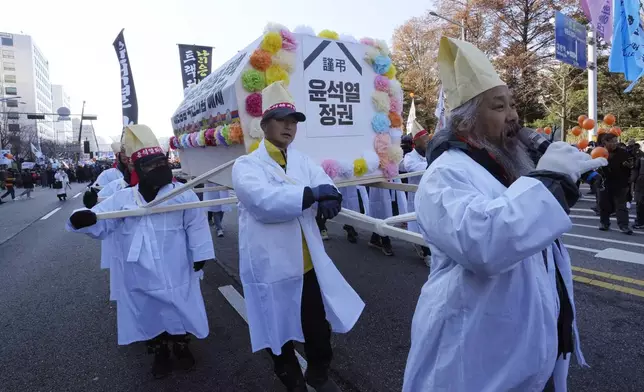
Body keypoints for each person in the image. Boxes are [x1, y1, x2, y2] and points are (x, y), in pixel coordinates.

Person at [403, 36, 607, 392]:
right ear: (466, 122)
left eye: (511, 104)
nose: (514, 115)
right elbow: (483, 243)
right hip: (478, 358)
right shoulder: (445, 174)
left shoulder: (504, 165)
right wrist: (550, 183)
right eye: (499, 106)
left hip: (528, 352)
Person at [232, 81, 364, 392]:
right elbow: (263, 202)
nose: (289, 126)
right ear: (264, 125)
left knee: (318, 329)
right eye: (282, 120)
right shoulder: (246, 165)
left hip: (305, 265)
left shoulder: (302, 160)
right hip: (271, 267)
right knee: (277, 332)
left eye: (294, 121)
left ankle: (319, 372)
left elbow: (323, 182)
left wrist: (330, 195)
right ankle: (290, 378)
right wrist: (311, 195)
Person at [66, 124, 214, 378]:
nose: (159, 168)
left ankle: (181, 347)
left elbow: (196, 224)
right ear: (136, 168)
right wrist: (82, 220)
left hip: (176, 266)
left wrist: (200, 254)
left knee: (180, 307)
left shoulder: (182, 195)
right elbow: (101, 222)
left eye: (161, 161)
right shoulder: (124, 199)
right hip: (138, 272)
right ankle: (159, 353)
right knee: (148, 312)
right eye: (150, 164)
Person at [403, 120, 431, 266]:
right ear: (417, 142)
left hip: (430, 195)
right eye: (424, 140)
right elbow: (412, 167)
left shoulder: (430, 153)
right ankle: (425, 252)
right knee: (419, 223)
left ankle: (427, 249)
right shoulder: (409, 157)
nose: (428, 142)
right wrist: (432, 164)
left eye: (428, 139)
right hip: (416, 196)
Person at [597, 133, 634, 234]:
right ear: (605, 142)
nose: (615, 143)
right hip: (604, 182)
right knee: (604, 204)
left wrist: (629, 166)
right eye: (612, 141)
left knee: (621, 205)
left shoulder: (623, 153)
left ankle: (624, 226)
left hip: (620, 183)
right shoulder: (598, 152)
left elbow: (631, 166)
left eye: (616, 141)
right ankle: (604, 223)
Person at [632, 143, 644, 229]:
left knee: (640, 203)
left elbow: (635, 168)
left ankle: (640, 222)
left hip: (641, 181)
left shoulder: (641, 158)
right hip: (641, 181)